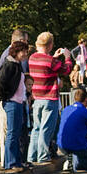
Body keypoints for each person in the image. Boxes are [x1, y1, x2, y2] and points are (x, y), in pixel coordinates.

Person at [27, 33, 73, 164]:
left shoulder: (32, 58)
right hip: (49, 98)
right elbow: (66, 69)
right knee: (46, 128)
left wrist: (53, 57)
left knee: (36, 128)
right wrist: (67, 57)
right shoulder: (51, 61)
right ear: (50, 45)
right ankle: (43, 156)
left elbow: (45, 65)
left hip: (37, 98)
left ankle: (32, 155)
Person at [0, 40, 28, 170]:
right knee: (12, 133)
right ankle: (11, 163)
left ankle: (16, 161)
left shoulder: (16, 64)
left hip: (18, 101)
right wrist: (5, 97)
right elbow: (1, 82)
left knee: (16, 132)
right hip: (12, 102)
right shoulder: (9, 64)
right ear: (17, 52)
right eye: (23, 51)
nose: (25, 54)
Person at [56, 88, 87, 171]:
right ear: (86, 99)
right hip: (78, 145)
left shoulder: (66, 109)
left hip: (61, 144)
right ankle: (74, 163)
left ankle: (71, 159)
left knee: (82, 153)